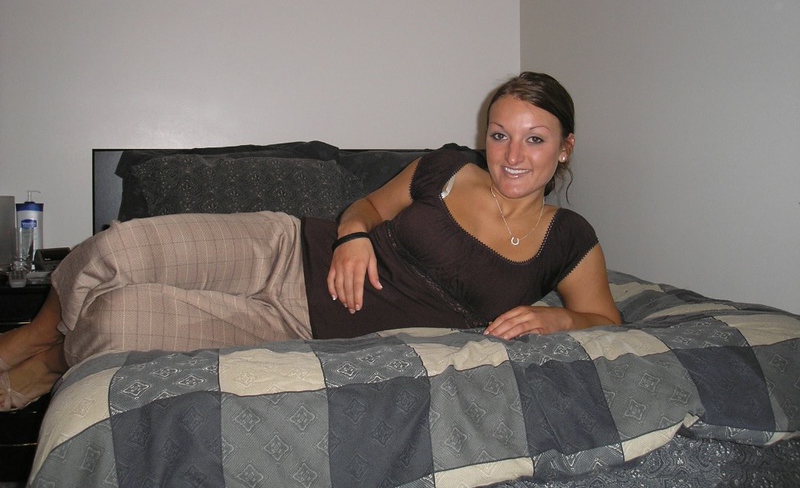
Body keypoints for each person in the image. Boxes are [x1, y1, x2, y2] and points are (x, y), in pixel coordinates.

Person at [0, 72, 621, 411]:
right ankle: (30, 336)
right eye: (500, 134)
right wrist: (353, 237)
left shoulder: (568, 237)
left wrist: (560, 319)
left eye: (535, 139)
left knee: (116, 322)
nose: (513, 155)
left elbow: (607, 320)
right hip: (286, 247)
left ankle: (47, 368)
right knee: (119, 250)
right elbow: (368, 206)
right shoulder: (446, 167)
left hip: (304, 326)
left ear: (565, 147)